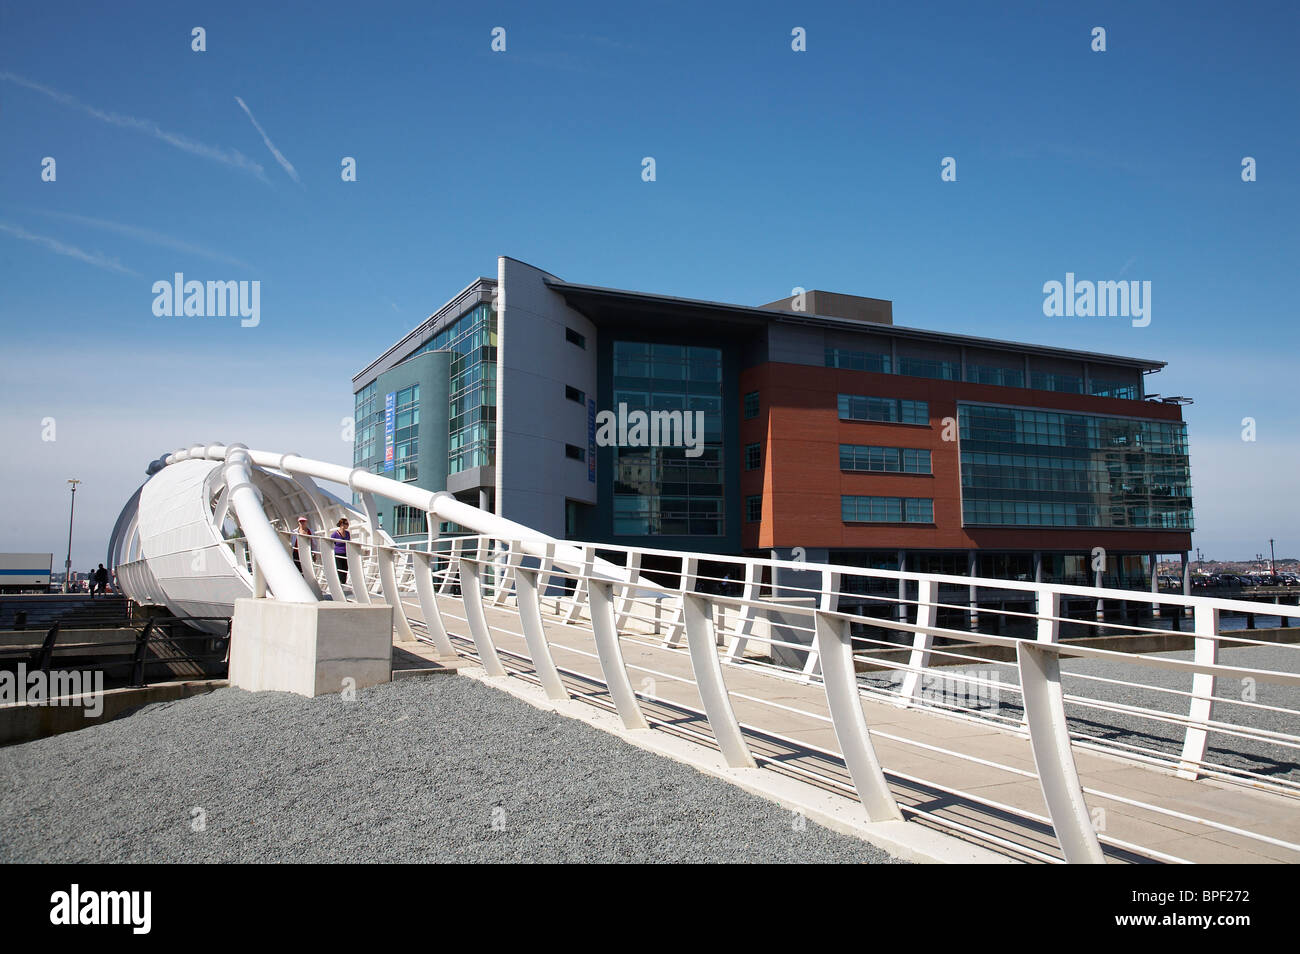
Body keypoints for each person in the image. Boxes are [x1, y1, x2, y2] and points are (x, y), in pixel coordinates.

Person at [329, 517, 351, 585]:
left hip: (345, 553)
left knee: (345, 568)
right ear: (342, 524)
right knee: (340, 568)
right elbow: (331, 542)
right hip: (338, 553)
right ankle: (340, 583)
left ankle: (343, 582)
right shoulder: (335, 534)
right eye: (346, 524)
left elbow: (349, 542)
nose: (348, 525)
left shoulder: (347, 533)